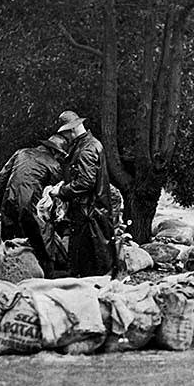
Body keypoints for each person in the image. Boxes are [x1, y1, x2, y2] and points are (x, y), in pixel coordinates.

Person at [0, 134, 68, 275]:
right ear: (55, 152)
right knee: (43, 248)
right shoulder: (54, 166)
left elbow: (2, 179)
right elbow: (53, 198)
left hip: (9, 204)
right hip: (33, 208)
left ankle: (7, 278)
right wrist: (58, 223)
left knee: (9, 245)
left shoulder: (21, 153)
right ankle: (45, 280)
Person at [55, 110, 113, 277]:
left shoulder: (86, 149)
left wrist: (61, 191)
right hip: (91, 212)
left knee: (88, 267)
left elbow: (85, 182)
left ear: (71, 130)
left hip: (88, 215)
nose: (66, 139)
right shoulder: (89, 144)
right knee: (91, 263)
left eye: (65, 134)